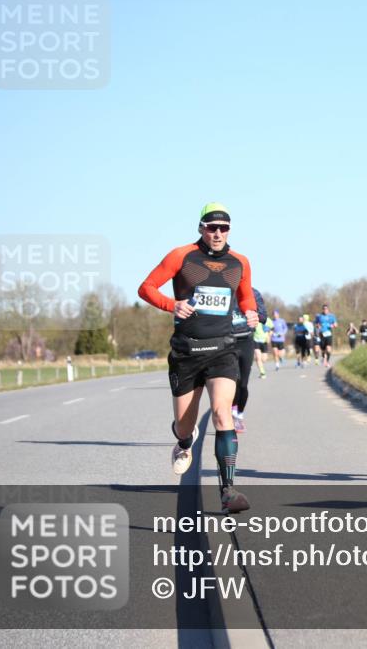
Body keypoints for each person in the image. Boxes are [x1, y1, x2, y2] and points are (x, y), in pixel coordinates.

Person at [138, 202, 262, 514]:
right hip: (187, 351)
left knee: (222, 414)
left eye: (223, 228)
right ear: (201, 228)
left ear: (229, 230)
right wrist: (172, 305)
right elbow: (146, 288)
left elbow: (246, 296)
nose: (217, 233)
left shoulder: (240, 262)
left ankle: (228, 490)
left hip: (222, 349)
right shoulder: (182, 256)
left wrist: (251, 312)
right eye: (211, 227)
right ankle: (183, 443)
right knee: (185, 426)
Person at [230, 286, 267, 432]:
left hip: (246, 341)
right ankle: (231, 413)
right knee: (233, 381)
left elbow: (263, 317)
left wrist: (253, 314)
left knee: (243, 384)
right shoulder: (223, 288)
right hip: (228, 342)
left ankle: (239, 415)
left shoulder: (253, 293)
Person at [315, 303, 338, 368]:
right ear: (322, 309)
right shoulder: (319, 316)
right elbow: (316, 324)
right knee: (323, 349)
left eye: (326, 309)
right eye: (324, 309)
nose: (325, 310)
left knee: (328, 349)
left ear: (328, 309)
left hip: (329, 334)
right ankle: (323, 357)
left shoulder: (332, 316)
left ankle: (327, 362)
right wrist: (318, 326)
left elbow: (336, 324)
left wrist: (333, 325)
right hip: (321, 334)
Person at [252, 313, 272, 379]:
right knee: (258, 357)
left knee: (264, 359)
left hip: (264, 341)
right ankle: (262, 372)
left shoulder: (268, 320)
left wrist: (269, 336)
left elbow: (272, 329)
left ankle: (261, 365)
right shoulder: (254, 319)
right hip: (256, 340)